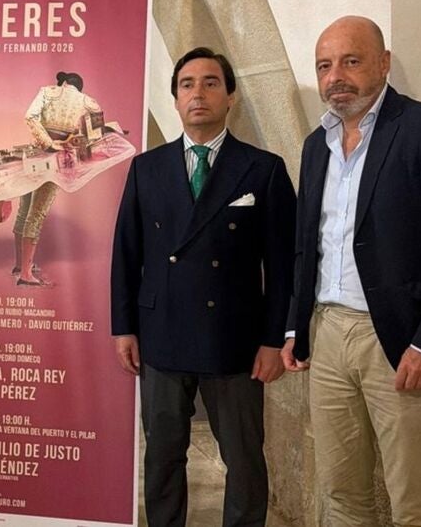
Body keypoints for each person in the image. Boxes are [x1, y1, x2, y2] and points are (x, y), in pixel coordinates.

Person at [281, 16, 421, 525]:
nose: (336, 76)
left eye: (351, 61)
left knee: (416, 504)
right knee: (340, 494)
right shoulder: (316, 145)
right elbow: (308, 246)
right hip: (327, 335)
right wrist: (294, 326)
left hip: (399, 339)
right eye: (324, 66)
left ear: (384, 63)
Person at [111, 47, 295, 527]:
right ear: (175, 99)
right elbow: (126, 253)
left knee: (244, 458)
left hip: (235, 339)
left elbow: (282, 266)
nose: (198, 93)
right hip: (161, 333)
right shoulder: (146, 168)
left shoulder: (263, 169)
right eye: (187, 84)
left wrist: (274, 339)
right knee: (162, 456)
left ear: (230, 96)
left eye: (211, 83)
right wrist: (123, 327)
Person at [15, 71, 101, 286]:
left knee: (24, 209)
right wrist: (72, 141)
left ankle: (20, 264)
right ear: (79, 87)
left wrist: (46, 142)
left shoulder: (47, 92)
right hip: (56, 159)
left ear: (63, 83)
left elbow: (30, 116)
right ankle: (25, 273)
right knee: (36, 214)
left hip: (32, 155)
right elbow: (96, 134)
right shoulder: (88, 102)